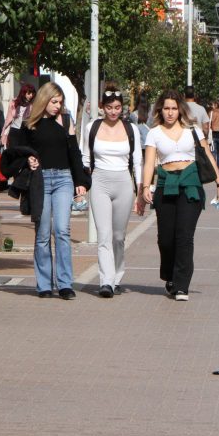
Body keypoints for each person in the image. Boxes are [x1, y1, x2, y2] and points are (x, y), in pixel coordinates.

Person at [138, 90, 219, 301]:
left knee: (184, 237)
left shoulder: (193, 130)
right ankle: (170, 276)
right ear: (160, 110)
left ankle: (181, 285)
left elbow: (208, 156)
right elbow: (150, 162)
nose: (170, 113)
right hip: (166, 184)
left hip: (190, 185)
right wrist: (145, 188)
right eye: (166, 108)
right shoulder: (154, 132)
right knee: (166, 239)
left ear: (180, 110)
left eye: (174, 108)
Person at [12, 82, 91, 300]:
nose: (58, 106)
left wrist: (81, 181)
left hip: (63, 179)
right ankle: (44, 284)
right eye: (54, 101)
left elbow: (74, 153)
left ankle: (65, 284)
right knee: (43, 232)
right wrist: (28, 160)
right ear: (44, 100)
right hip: (41, 181)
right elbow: (17, 152)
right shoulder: (30, 125)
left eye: (60, 102)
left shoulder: (66, 122)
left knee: (62, 231)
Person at [82, 87, 142, 298]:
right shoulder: (92, 127)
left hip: (124, 183)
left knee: (118, 236)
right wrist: (82, 184)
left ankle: (117, 275)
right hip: (100, 182)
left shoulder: (130, 129)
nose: (113, 112)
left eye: (117, 107)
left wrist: (141, 189)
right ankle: (106, 281)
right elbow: (86, 159)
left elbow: (138, 162)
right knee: (104, 235)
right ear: (102, 107)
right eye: (109, 107)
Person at [1, 83, 36, 148]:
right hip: (14, 130)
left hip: (26, 131)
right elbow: (8, 119)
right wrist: (4, 133)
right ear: (23, 93)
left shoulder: (32, 105)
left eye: (32, 93)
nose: (31, 95)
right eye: (29, 93)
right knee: (13, 151)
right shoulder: (14, 102)